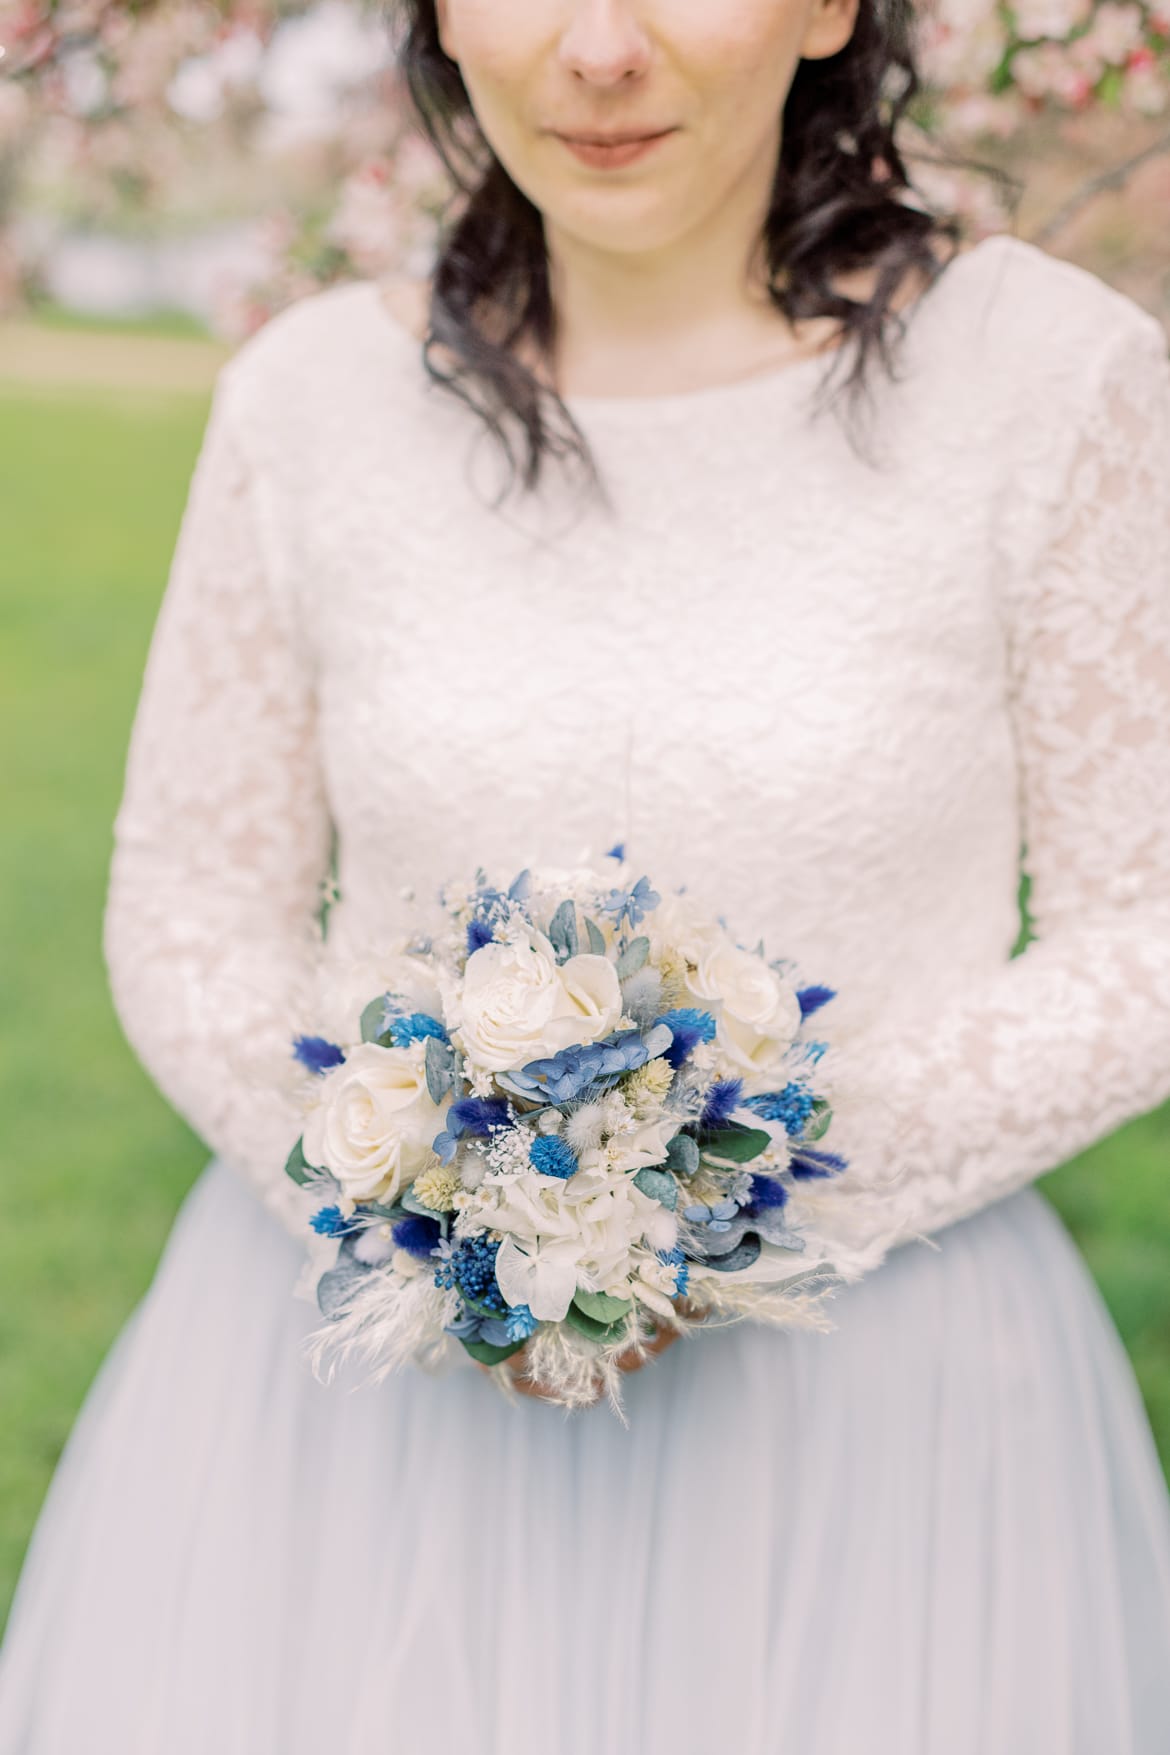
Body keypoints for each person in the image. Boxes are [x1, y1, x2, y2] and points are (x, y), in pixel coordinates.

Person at [2, 0, 1170, 1746]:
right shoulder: (309, 399)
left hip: (873, 1419)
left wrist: (701, 1212)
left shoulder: (1046, 376)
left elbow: (1144, 923)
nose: (597, 49)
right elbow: (190, 901)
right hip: (363, 1404)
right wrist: (436, 1205)